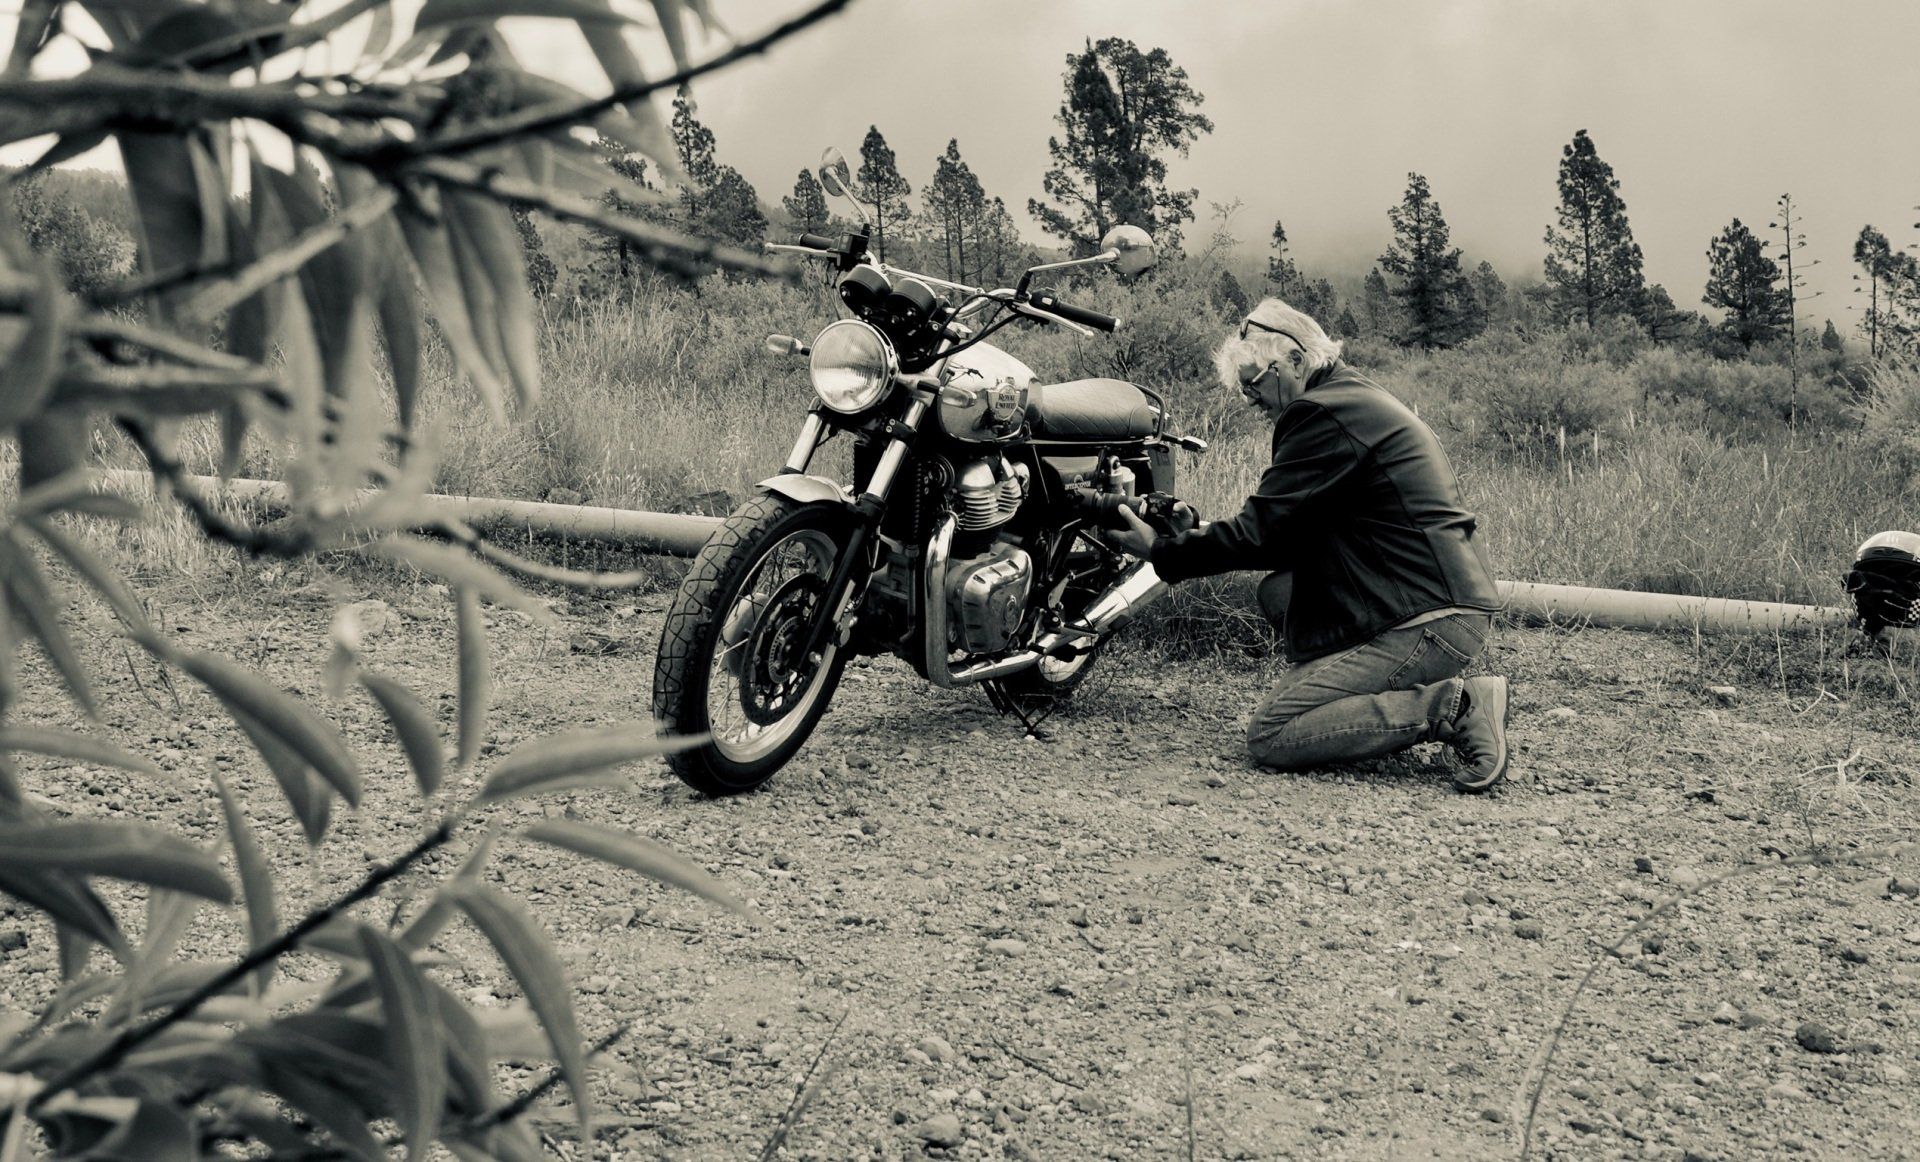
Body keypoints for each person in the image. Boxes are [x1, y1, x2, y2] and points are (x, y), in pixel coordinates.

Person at [1108, 299, 1511, 791]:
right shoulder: (1350, 398)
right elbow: (1284, 536)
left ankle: (1453, 706)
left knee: (1274, 734)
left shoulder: (1322, 413)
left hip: (1427, 621)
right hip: (1434, 606)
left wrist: (1161, 552)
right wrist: (1194, 532)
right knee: (1279, 592)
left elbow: (1262, 533)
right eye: (1242, 389)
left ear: (1295, 361)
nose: (1250, 399)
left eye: (1254, 382)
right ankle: (1358, 689)